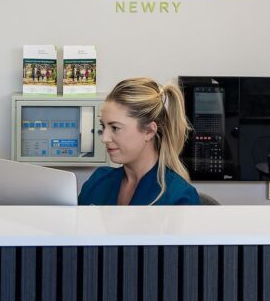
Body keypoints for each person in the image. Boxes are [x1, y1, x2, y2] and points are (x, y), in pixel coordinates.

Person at [79, 77, 200, 205]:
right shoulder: (98, 181)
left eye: (115, 128)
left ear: (149, 131)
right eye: (103, 126)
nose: (104, 138)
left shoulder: (180, 197)